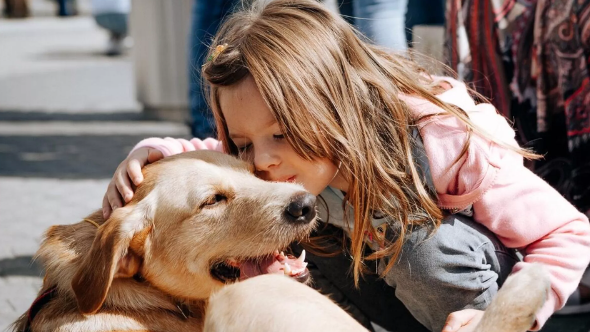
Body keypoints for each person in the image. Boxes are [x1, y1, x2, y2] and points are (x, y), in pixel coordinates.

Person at [101, 1, 590, 331]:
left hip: (466, 304)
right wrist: (153, 152)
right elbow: (214, 160)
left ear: (336, 107)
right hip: (384, 300)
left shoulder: (440, 141)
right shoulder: (271, 162)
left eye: (282, 133)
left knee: (425, 249)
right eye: (244, 142)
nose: (263, 161)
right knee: (278, 237)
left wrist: (521, 311)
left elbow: (570, 232)